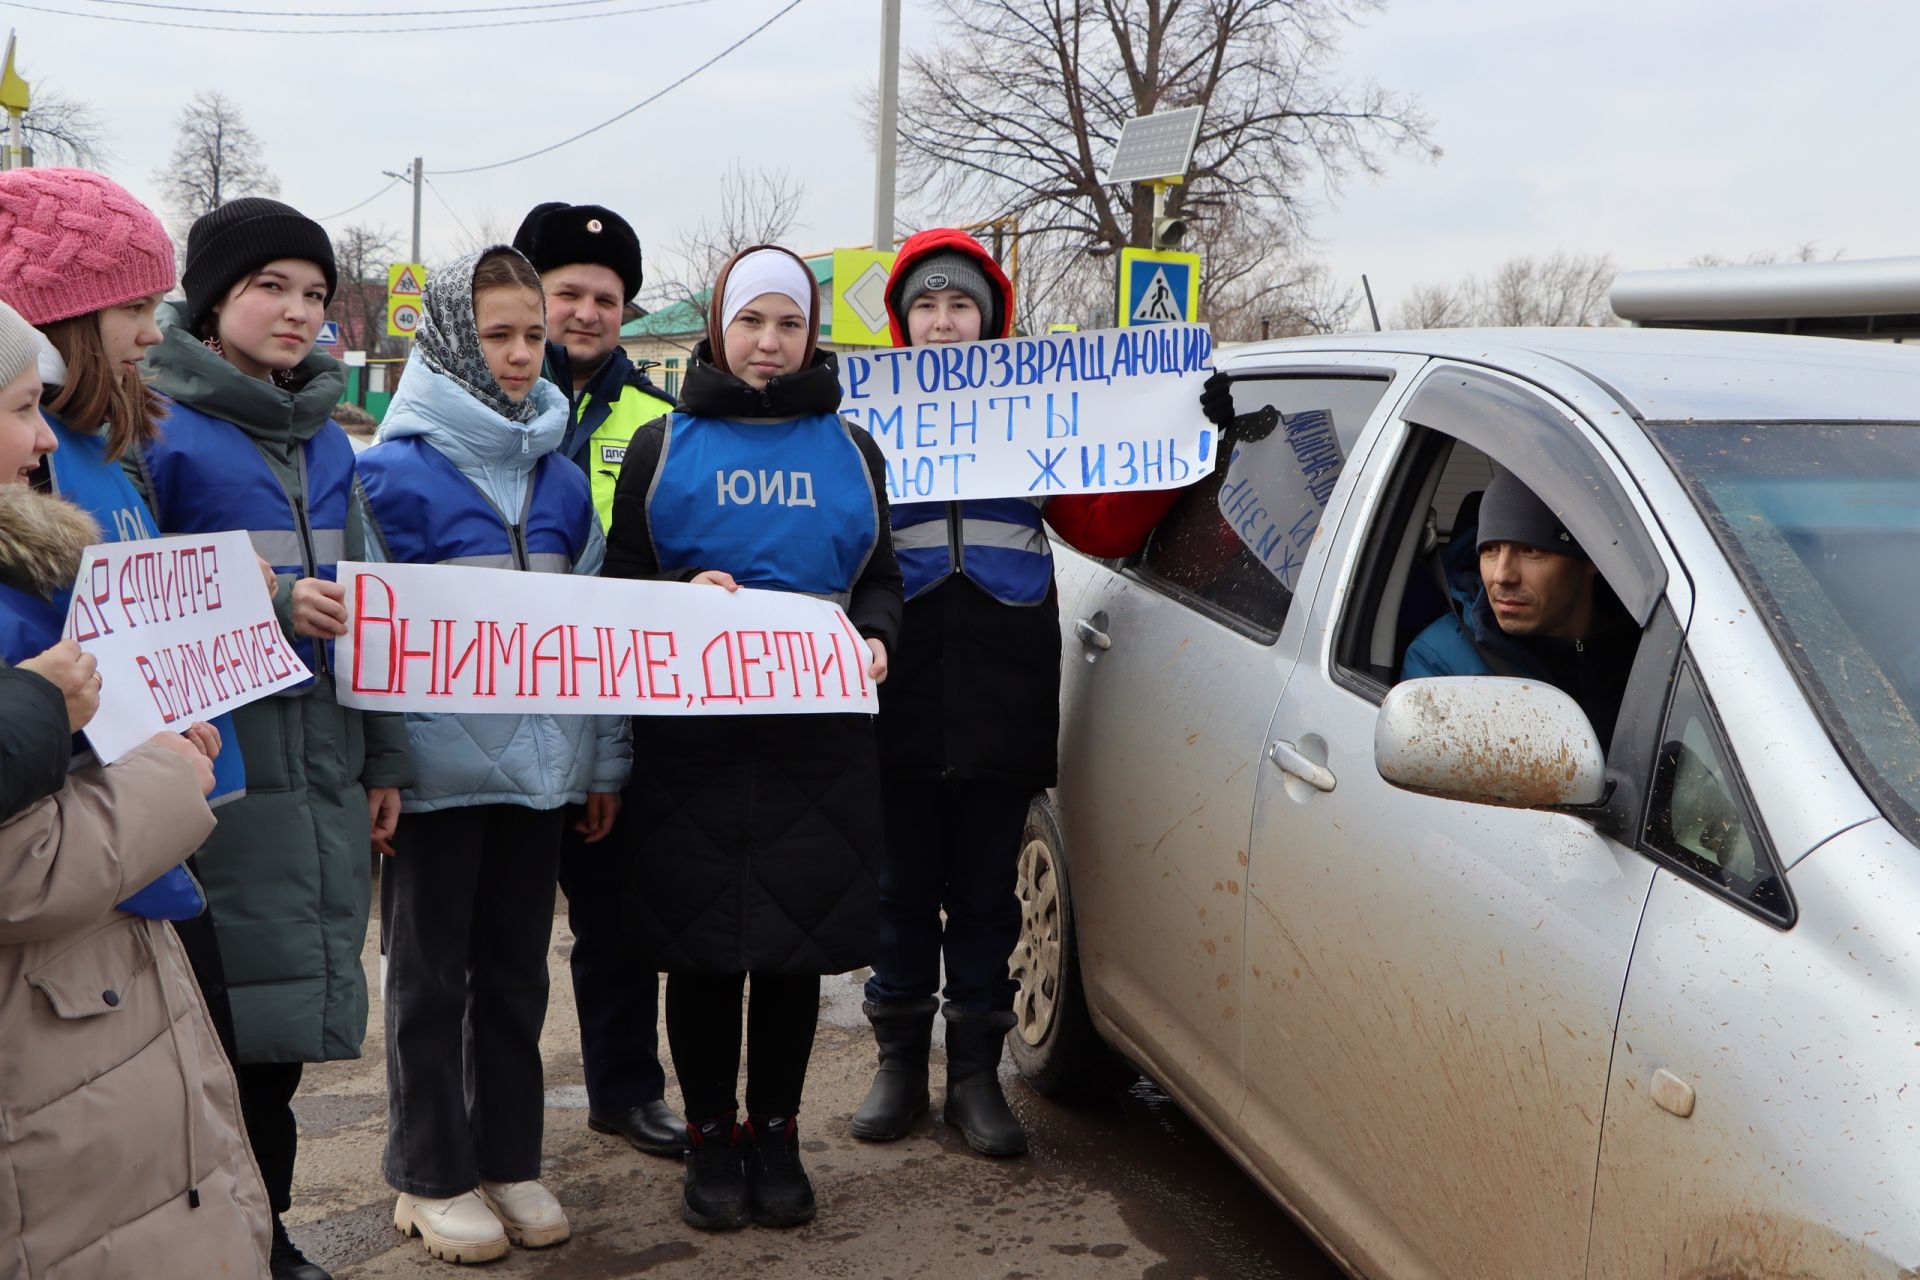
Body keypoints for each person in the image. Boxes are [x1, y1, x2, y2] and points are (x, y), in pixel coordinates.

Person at [126, 196, 415, 1280]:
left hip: (328, 772)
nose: (298, 311)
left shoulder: (335, 445)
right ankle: (229, 1237)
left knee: (282, 1040)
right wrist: (274, 601)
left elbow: (383, 616)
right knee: (215, 1033)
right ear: (212, 303)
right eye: (270, 288)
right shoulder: (155, 432)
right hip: (220, 779)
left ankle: (267, 1228)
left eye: (312, 291)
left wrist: (386, 760)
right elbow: (127, 603)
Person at [603, 244, 903, 1231]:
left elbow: (882, 580)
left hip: (816, 740)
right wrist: (675, 598)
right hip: (692, 741)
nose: (768, 343)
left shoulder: (854, 449)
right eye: (750, 322)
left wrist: (875, 638)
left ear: (811, 333)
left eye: (787, 323)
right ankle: (708, 1132)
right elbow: (621, 585)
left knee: (787, 950)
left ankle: (773, 1129)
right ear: (719, 330)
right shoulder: (663, 446)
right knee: (700, 950)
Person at [355, 245, 631, 1266]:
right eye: (502, 336)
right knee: (428, 977)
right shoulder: (389, 475)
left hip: (540, 775)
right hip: (434, 783)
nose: (523, 356)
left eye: (532, 336)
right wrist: (383, 762)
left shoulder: (562, 480)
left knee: (517, 972)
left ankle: (509, 1154)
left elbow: (597, 629)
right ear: (455, 343)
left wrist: (601, 759)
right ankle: (429, 1173)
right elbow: (370, 646)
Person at [0, 306, 269, 1277]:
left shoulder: (42, 545)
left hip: (101, 983)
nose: (44, 439)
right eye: (26, 409)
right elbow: (18, 863)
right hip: (51, 1025)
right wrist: (165, 774)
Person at [850, 228, 1058, 1156]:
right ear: (901, 322)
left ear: (989, 318)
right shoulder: (861, 424)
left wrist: (1187, 427)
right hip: (895, 678)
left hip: (1004, 681)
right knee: (898, 891)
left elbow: (1112, 508)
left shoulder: (1043, 411)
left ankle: (975, 1074)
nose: (943, 323)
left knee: (985, 897)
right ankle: (897, 1065)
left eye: (960, 305)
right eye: (925, 306)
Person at [510, 200, 682, 1159]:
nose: (583, 312)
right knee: (500, 933)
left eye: (604, 297)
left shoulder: (663, 420)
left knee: (616, 919)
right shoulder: (478, 409)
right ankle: (491, 1114)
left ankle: (626, 1089)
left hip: (611, 711)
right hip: (496, 704)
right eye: (565, 292)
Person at [1401, 468, 1636, 748]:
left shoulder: (1649, 647)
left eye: (1531, 551)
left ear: (1591, 558)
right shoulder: (1441, 664)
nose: (1502, 575)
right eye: (1490, 550)